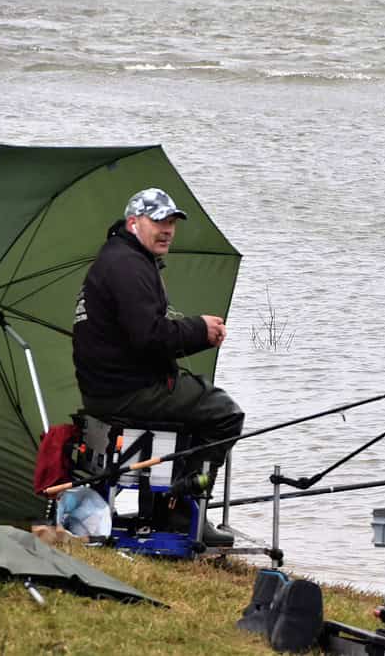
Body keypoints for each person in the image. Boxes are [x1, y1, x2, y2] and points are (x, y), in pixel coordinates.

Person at [72, 187, 243, 546]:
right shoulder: (127, 266)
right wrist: (200, 329)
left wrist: (187, 330)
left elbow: (141, 332)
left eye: (171, 222)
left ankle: (169, 503)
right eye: (158, 221)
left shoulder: (120, 259)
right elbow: (148, 336)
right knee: (224, 412)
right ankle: (180, 504)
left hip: (110, 389)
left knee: (198, 401)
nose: (167, 230)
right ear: (134, 223)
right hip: (127, 392)